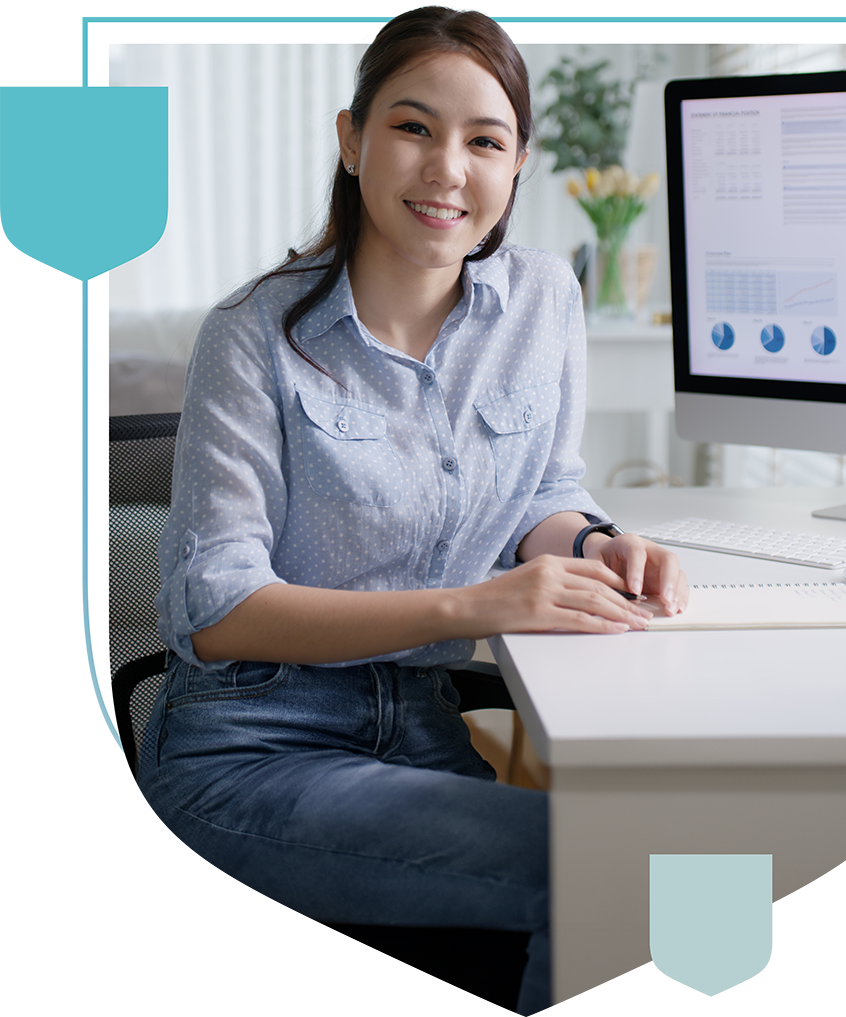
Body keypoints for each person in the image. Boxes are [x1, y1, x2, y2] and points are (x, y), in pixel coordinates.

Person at [138, 7, 688, 1016]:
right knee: (627, 873)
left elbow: (541, 490)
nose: (447, 168)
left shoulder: (541, 302)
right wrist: (476, 606)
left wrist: (601, 545)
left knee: (683, 850)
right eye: (412, 127)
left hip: (423, 733)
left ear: (520, 163)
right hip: (258, 744)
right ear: (352, 140)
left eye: (485, 140)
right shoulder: (253, 334)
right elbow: (219, 613)